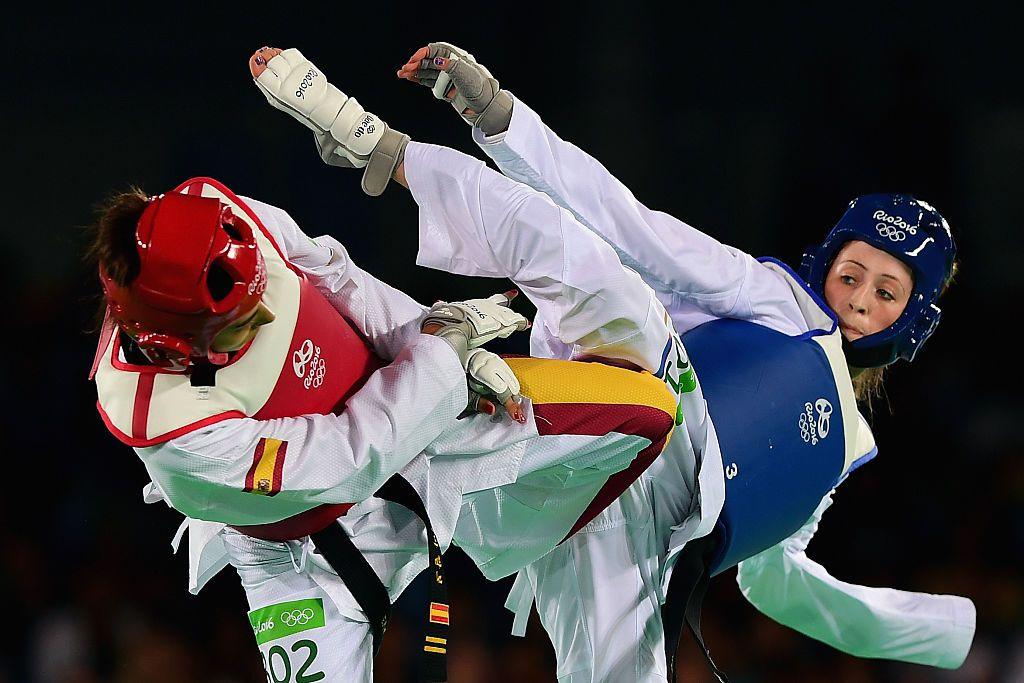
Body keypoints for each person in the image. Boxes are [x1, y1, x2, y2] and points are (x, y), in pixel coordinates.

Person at [87, 48, 704, 680]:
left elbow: (338, 280)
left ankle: (585, 561)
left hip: (423, 426)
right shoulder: (165, 423)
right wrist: (442, 355)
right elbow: (345, 459)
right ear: (177, 345)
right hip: (299, 552)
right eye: (243, 324)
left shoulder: (225, 219)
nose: (269, 316)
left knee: (648, 411)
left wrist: (433, 336)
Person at [382, 43, 977, 681]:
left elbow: (774, 580)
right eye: (851, 274)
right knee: (387, 490)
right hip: (599, 419)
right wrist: (503, 119)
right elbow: (630, 227)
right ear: (826, 262)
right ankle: (386, 154)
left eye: (885, 294)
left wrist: (935, 633)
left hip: (626, 535)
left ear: (910, 322)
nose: (858, 300)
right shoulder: (768, 296)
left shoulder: (838, 445)